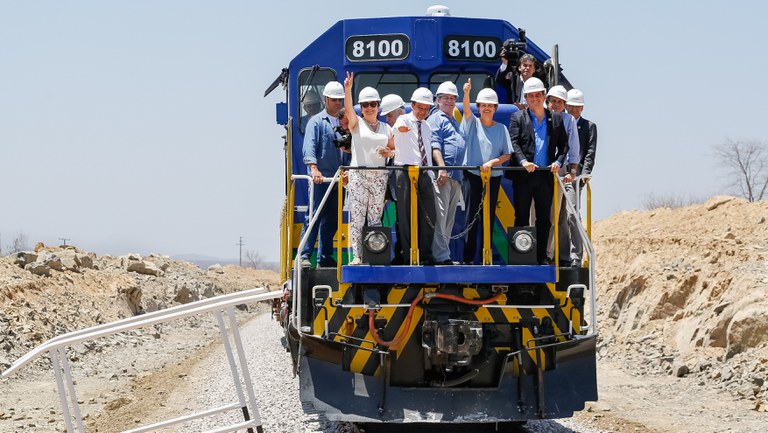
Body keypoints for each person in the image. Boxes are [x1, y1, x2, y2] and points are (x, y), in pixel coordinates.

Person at [508, 77, 569, 265]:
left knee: (544, 218)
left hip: (545, 176)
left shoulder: (556, 119)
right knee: (521, 216)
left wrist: (558, 162)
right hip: (524, 176)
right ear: (525, 98)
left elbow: (564, 146)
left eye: (538, 95)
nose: (534, 98)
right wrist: (523, 161)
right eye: (531, 95)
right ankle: (520, 258)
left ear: (544, 96)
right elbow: (514, 143)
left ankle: (541, 256)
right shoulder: (517, 117)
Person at [460, 79, 512, 265]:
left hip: (493, 177)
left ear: (495, 108)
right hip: (472, 177)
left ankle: (486, 257)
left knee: (488, 218)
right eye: (483, 105)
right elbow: (465, 110)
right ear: (479, 107)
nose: (487, 108)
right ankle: (468, 259)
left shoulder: (502, 129)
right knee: (471, 218)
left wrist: (492, 162)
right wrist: (466, 93)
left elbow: (507, 154)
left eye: (490, 105)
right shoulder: (472, 123)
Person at [343, 72, 394, 265]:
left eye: (373, 104)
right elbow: (348, 110)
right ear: (361, 108)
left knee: (375, 218)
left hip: (379, 176)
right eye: (365, 104)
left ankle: (374, 255)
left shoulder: (386, 128)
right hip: (359, 175)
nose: (370, 108)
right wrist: (348, 89)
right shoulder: (357, 123)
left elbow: (394, 148)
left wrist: (389, 153)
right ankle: (356, 256)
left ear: (379, 106)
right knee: (357, 217)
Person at [298, 81, 347, 268]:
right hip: (321, 179)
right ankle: (304, 256)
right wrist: (314, 169)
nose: (337, 103)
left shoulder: (344, 122)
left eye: (340, 99)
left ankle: (325, 257)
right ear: (325, 100)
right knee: (314, 216)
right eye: (334, 99)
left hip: (338, 179)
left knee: (333, 219)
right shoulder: (316, 122)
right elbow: (309, 146)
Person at [392, 87, 438, 265]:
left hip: (424, 172)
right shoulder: (403, 119)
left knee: (429, 214)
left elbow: (426, 149)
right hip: (405, 171)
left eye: (426, 109)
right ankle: (408, 254)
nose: (423, 112)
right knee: (406, 216)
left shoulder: (426, 126)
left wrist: (431, 171)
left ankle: (425, 255)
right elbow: (398, 127)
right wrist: (402, 128)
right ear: (412, 105)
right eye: (420, 108)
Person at [428, 81, 466, 265]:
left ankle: (445, 253)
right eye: (445, 98)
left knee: (449, 218)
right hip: (443, 175)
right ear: (438, 100)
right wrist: (441, 167)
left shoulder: (454, 121)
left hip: (455, 176)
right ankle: (440, 255)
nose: (449, 101)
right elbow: (435, 145)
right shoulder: (437, 118)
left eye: (452, 98)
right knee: (441, 216)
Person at [545, 85, 580, 266]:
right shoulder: (540, 117)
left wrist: (572, 171)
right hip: (541, 170)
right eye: (553, 101)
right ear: (548, 101)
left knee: (556, 215)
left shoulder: (569, 121)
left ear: (564, 104)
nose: (556, 105)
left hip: (561, 171)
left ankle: (549, 253)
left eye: (559, 102)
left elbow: (573, 149)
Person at [563, 88, 597, 266]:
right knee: (557, 217)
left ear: (582, 108)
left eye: (577, 107)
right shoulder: (560, 122)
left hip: (576, 177)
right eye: (571, 106)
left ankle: (576, 255)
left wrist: (584, 174)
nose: (573, 110)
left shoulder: (589, 127)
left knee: (572, 215)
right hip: (559, 174)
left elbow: (590, 152)